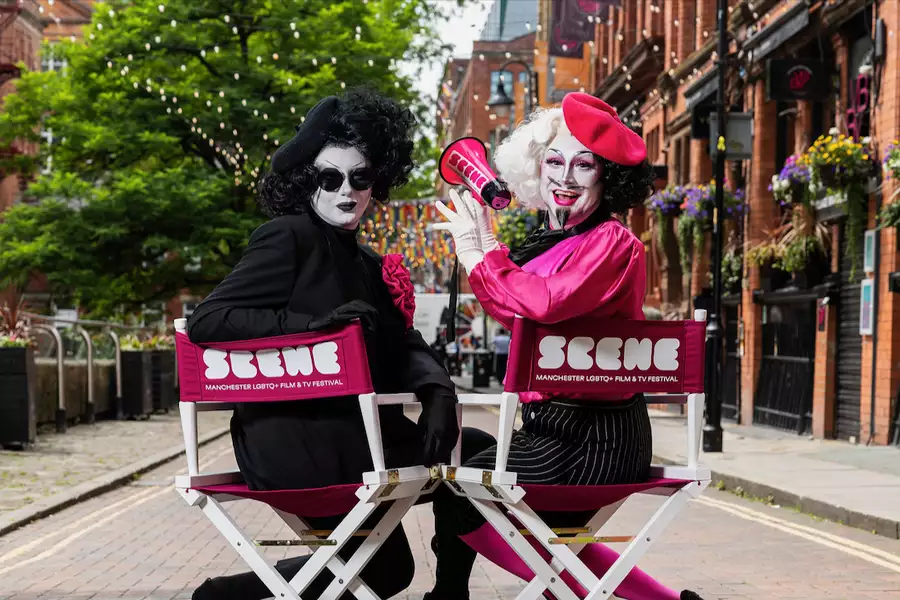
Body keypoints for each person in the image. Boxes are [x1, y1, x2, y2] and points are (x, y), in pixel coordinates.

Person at [187, 89, 494, 600]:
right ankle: (450, 597)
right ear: (309, 181)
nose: (346, 191)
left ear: (378, 182)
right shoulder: (286, 236)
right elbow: (209, 320)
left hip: (357, 436)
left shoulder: (368, 262)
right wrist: (315, 325)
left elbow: (402, 341)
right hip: (292, 440)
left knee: (390, 569)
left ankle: (224, 595)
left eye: (361, 177)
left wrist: (439, 390)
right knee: (475, 457)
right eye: (330, 178)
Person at [426, 93, 704, 600]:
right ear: (536, 168)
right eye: (554, 161)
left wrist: (477, 254)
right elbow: (515, 311)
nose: (565, 177)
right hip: (550, 432)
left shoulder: (613, 243)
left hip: (594, 439)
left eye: (584, 165)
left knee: (457, 487)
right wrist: (486, 248)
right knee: (473, 458)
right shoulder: (554, 239)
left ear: (608, 176)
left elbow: (546, 303)